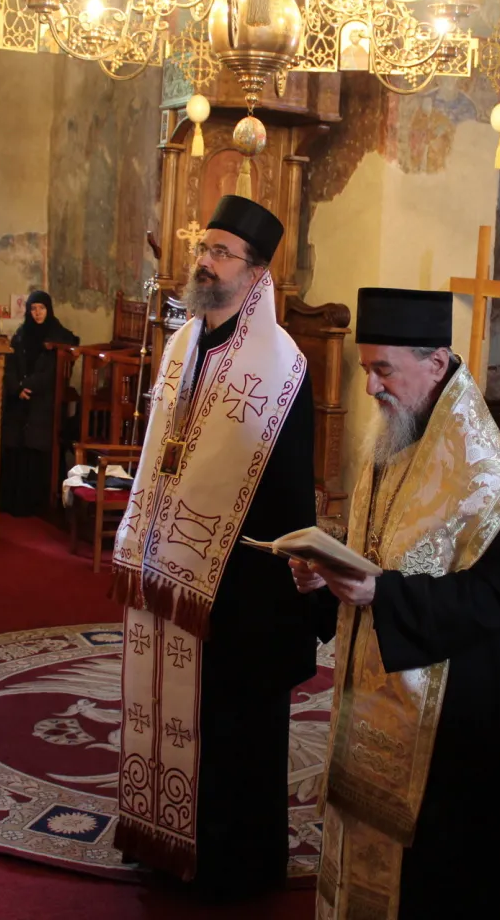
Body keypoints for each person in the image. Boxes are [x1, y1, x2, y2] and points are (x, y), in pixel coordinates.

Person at [295, 287, 500, 920]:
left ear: (436, 363)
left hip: (449, 716)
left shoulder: (486, 474)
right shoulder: (399, 431)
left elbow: (496, 602)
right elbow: (381, 547)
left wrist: (385, 594)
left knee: (432, 874)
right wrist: (327, 577)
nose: (371, 387)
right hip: (378, 689)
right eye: (366, 369)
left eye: (383, 370)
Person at [111, 195, 317, 899]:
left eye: (221, 253)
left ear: (256, 274)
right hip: (168, 565)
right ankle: (163, 838)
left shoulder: (281, 365)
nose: (205, 261)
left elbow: (290, 489)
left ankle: (232, 864)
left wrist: (289, 584)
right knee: (165, 710)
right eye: (204, 247)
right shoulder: (183, 344)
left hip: (242, 583)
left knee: (232, 726)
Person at [0, 291, 77, 516]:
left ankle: (36, 505)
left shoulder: (58, 336)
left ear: (48, 309)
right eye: (33, 308)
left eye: (41, 308)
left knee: (36, 444)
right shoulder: (22, 334)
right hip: (19, 398)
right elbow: (10, 364)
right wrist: (16, 388)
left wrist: (28, 386)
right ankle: (12, 502)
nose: (37, 313)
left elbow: (51, 372)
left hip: (42, 399)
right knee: (14, 440)